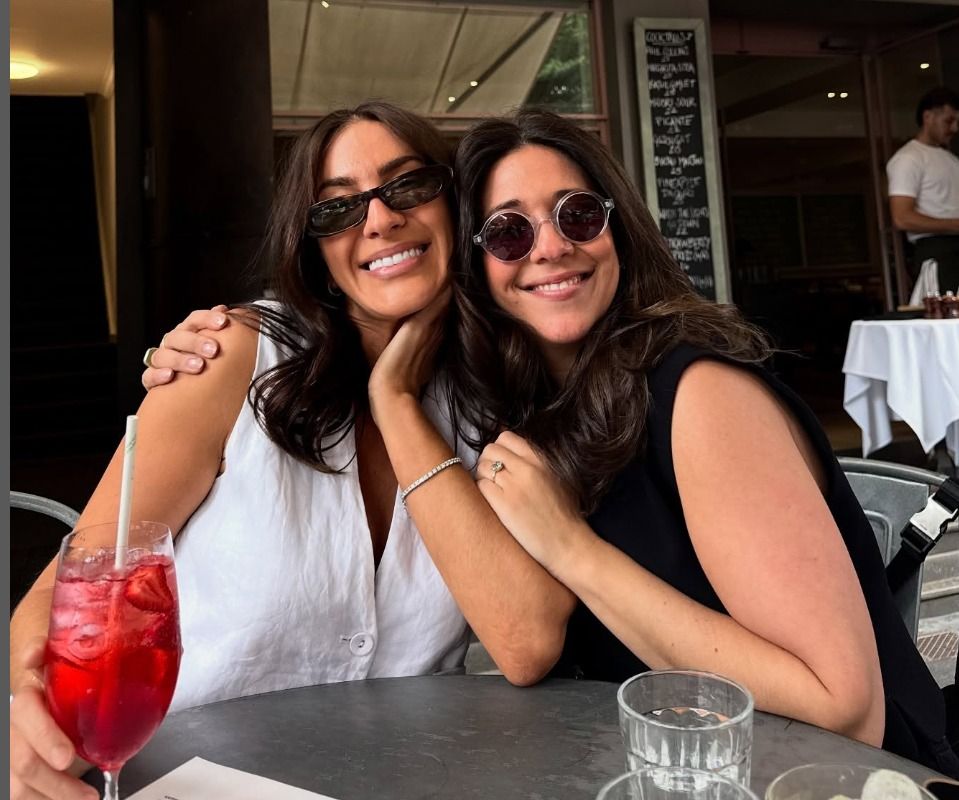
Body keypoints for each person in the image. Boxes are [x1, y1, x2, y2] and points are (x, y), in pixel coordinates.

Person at [151, 108, 959, 778]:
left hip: (834, 779)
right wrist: (389, 395)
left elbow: (842, 709)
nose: (547, 247)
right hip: (664, 770)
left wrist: (572, 549)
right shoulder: (514, 413)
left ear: (617, 228)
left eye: (576, 215)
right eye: (507, 232)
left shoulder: (698, 393)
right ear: (473, 262)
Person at [9, 103, 574, 800]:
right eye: (337, 208)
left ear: (453, 205)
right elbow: (71, 588)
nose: (379, 219)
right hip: (188, 783)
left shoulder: (498, 394)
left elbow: (524, 642)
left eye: (407, 184)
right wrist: (32, 696)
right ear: (316, 251)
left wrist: (394, 399)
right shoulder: (230, 358)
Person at [887, 85, 959, 293]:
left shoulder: (951, 160)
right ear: (928, 117)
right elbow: (902, 218)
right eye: (949, 121)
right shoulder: (908, 158)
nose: (954, 128)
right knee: (946, 312)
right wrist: (956, 225)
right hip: (937, 251)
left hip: (953, 245)